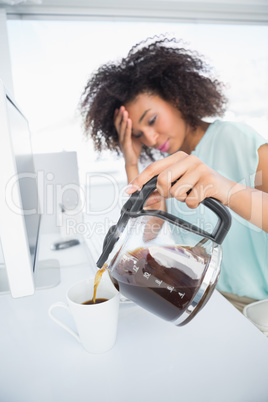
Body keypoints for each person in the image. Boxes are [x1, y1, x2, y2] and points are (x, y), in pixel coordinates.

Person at [80, 36, 268, 314]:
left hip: (259, 305)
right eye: (139, 135)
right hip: (212, 301)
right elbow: (148, 231)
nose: (152, 139)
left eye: (152, 120)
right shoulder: (171, 167)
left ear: (175, 98)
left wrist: (222, 188)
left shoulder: (236, 137)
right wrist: (131, 160)